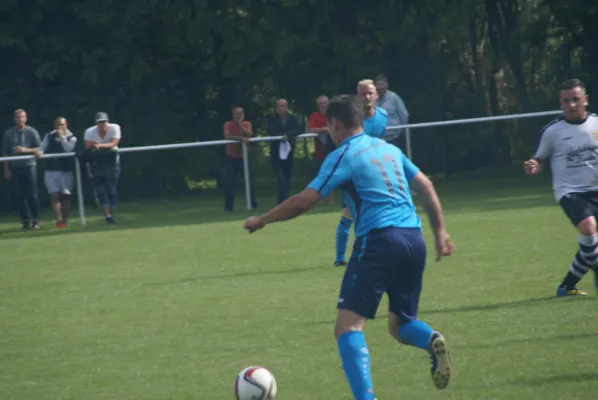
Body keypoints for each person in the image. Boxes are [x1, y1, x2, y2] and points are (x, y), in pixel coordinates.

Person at [244, 94, 455, 399]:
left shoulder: (343, 155)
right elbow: (426, 186)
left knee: (348, 328)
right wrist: (440, 232)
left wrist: (263, 219)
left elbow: (306, 200)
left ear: (335, 123)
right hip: (414, 239)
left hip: (379, 241)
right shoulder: (389, 149)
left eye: (329, 125)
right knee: (400, 325)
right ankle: (431, 338)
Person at [524, 78, 598, 296]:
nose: (572, 105)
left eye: (576, 99)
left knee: (589, 243)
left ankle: (566, 286)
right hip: (570, 190)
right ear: (561, 103)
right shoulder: (553, 131)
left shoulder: (596, 123)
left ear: (586, 99)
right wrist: (533, 166)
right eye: (566, 101)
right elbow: (539, 158)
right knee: (588, 229)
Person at [334, 80, 388, 266]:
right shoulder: (352, 120)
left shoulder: (383, 116)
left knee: (376, 214)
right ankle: (341, 258)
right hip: (355, 174)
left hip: (375, 175)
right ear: (357, 97)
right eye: (363, 94)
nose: (367, 97)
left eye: (370, 93)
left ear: (377, 95)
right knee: (351, 216)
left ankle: (368, 253)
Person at [2, 109, 42, 231]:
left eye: (22, 117)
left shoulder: (32, 131)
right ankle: (25, 221)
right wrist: (6, 170)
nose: (20, 119)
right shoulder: (9, 133)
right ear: (14, 119)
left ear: (26, 118)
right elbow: (5, 153)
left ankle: (36, 220)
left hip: (29, 166)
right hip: (16, 168)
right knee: (20, 196)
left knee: (32, 195)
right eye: (18, 117)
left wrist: (25, 150)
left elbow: (40, 148)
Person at [35, 117, 77, 228]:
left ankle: (65, 220)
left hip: (66, 171)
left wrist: (62, 137)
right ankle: (59, 221)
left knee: (66, 197)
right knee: (55, 196)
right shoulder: (49, 135)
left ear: (66, 125)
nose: (60, 127)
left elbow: (68, 149)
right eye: (58, 125)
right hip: (51, 171)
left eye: (62, 124)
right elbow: (42, 147)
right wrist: (39, 152)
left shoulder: (72, 137)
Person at [84, 112, 121, 223]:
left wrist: (99, 145)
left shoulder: (115, 128)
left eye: (104, 122)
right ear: (96, 123)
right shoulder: (90, 131)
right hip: (97, 163)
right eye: (99, 122)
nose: (102, 125)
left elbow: (113, 143)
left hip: (112, 162)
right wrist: (94, 145)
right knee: (101, 190)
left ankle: (111, 214)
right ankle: (107, 216)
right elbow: (87, 145)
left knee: (112, 190)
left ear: (107, 122)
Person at [267, 99, 302, 204]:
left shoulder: (292, 118)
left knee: (287, 177)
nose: (283, 108)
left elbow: (298, 129)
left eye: (284, 106)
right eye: (280, 106)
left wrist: (288, 135)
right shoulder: (272, 119)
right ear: (276, 108)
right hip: (276, 153)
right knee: (280, 177)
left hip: (289, 152)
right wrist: (281, 136)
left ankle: (283, 200)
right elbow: (271, 131)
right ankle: (284, 200)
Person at [224, 105, 258, 211]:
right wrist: (240, 138)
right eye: (236, 114)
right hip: (231, 156)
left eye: (240, 114)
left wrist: (240, 125)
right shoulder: (228, 124)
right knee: (230, 182)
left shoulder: (247, 124)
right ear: (232, 115)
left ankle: (253, 203)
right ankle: (228, 207)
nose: (238, 116)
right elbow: (227, 135)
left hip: (244, 156)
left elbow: (249, 134)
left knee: (249, 181)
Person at [308, 95, 335, 203]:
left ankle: (332, 199)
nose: (324, 105)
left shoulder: (334, 115)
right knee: (322, 175)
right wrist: (325, 129)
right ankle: (321, 198)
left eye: (325, 103)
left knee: (333, 174)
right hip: (320, 151)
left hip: (334, 149)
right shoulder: (314, 116)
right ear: (318, 106)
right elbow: (310, 130)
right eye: (321, 103)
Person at [374, 74, 409, 142]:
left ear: (387, 85)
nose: (380, 87)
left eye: (382, 84)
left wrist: (400, 131)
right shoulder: (372, 100)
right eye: (378, 84)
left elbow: (404, 115)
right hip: (378, 139)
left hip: (394, 138)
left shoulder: (394, 97)